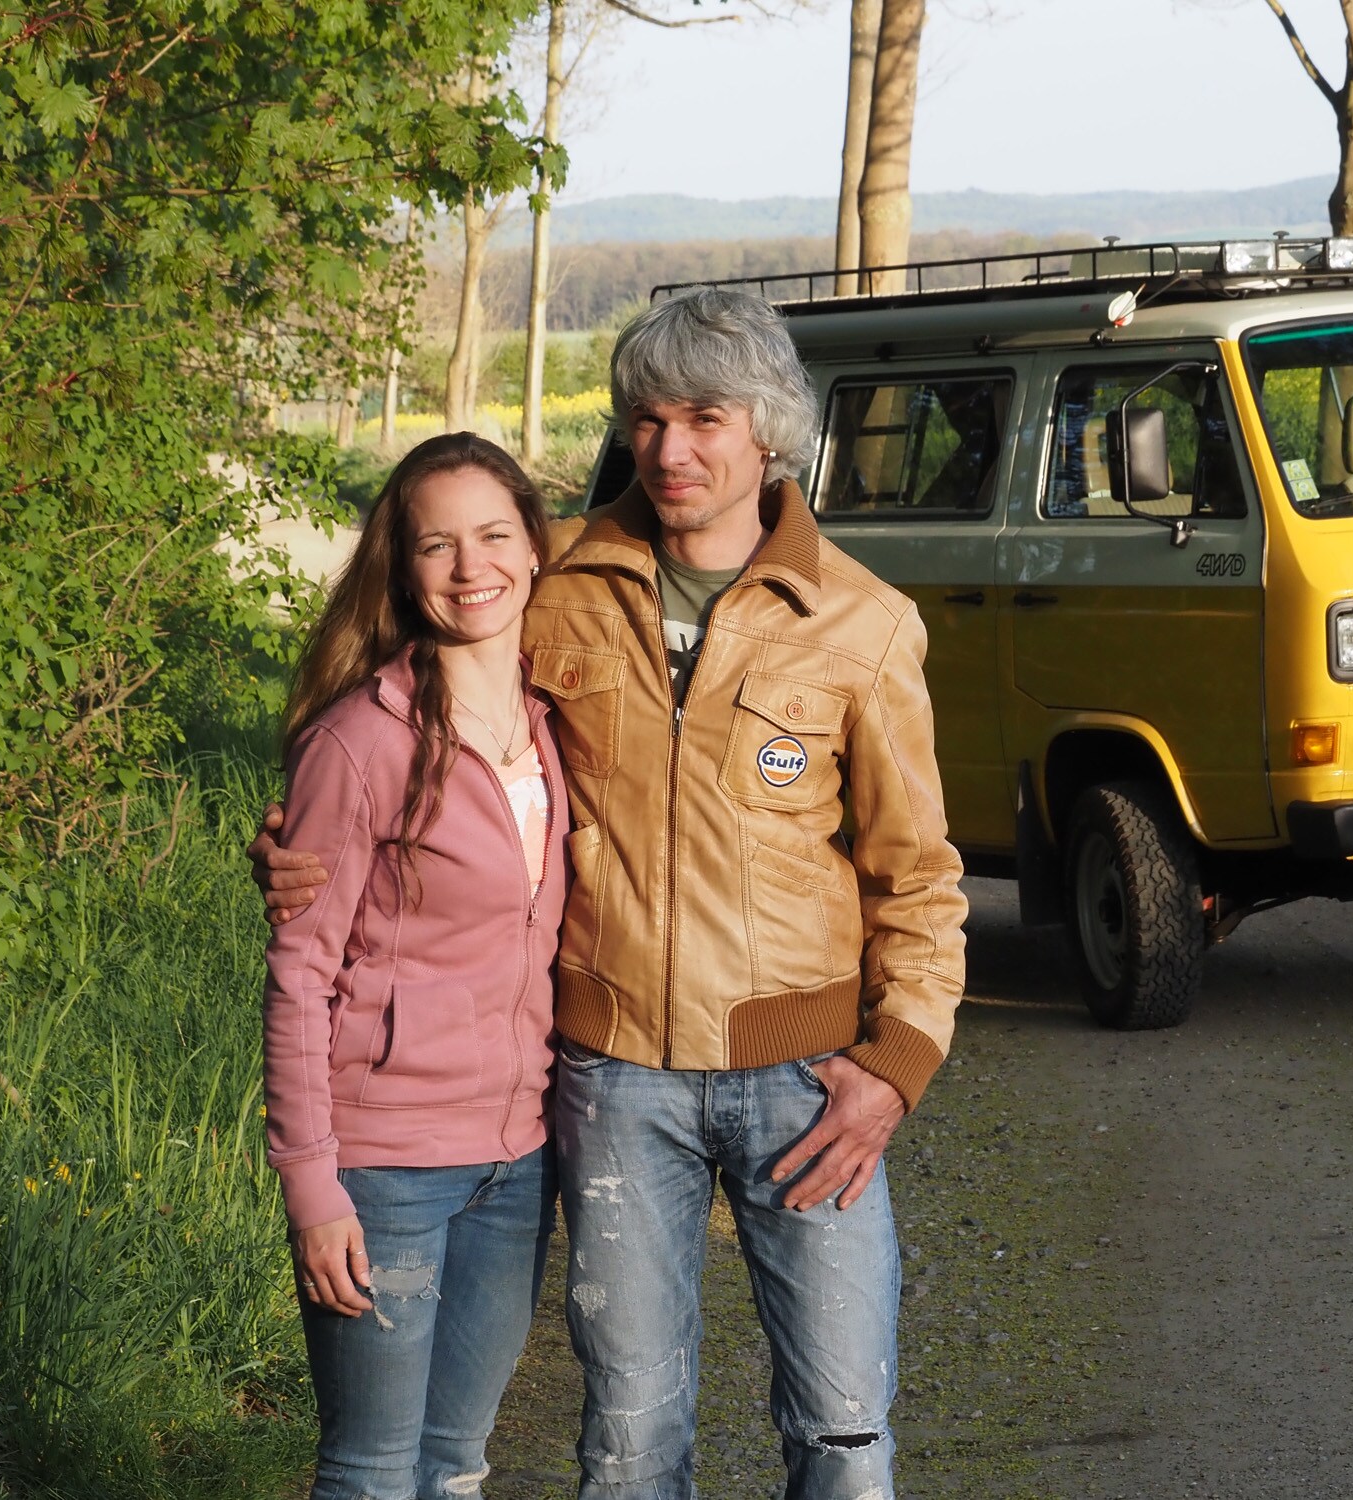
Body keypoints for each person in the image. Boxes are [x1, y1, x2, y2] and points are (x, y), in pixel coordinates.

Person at [254, 287, 967, 1500]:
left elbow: (921, 876)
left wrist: (896, 1061)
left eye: (703, 417)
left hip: (805, 1085)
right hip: (611, 1079)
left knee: (844, 1438)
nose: (669, 449)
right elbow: (414, 722)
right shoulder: (558, 582)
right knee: (630, 1442)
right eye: (646, 418)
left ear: (769, 431)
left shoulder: (861, 623)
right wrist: (295, 845)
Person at [262, 433, 567, 1500]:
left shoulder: (559, 722)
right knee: (373, 1468)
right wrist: (312, 1188)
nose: (469, 567)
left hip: (518, 1158)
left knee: (455, 1465)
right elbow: (300, 974)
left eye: (492, 535)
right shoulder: (360, 742)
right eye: (436, 545)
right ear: (401, 567)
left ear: (535, 546)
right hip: (382, 1168)